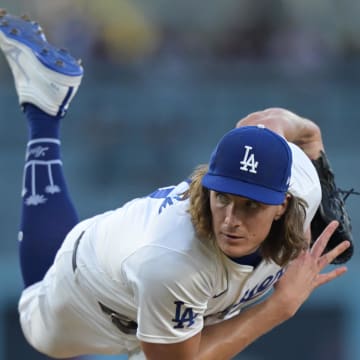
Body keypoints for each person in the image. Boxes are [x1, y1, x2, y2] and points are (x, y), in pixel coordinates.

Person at [0, 11, 351, 360]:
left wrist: (308, 161)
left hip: (160, 281)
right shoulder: (172, 263)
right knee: (36, 323)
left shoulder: (304, 185)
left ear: (283, 204)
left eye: (251, 205)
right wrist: (278, 308)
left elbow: (298, 131)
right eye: (223, 197)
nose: (230, 218)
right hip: (96, 301)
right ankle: (43, 114)